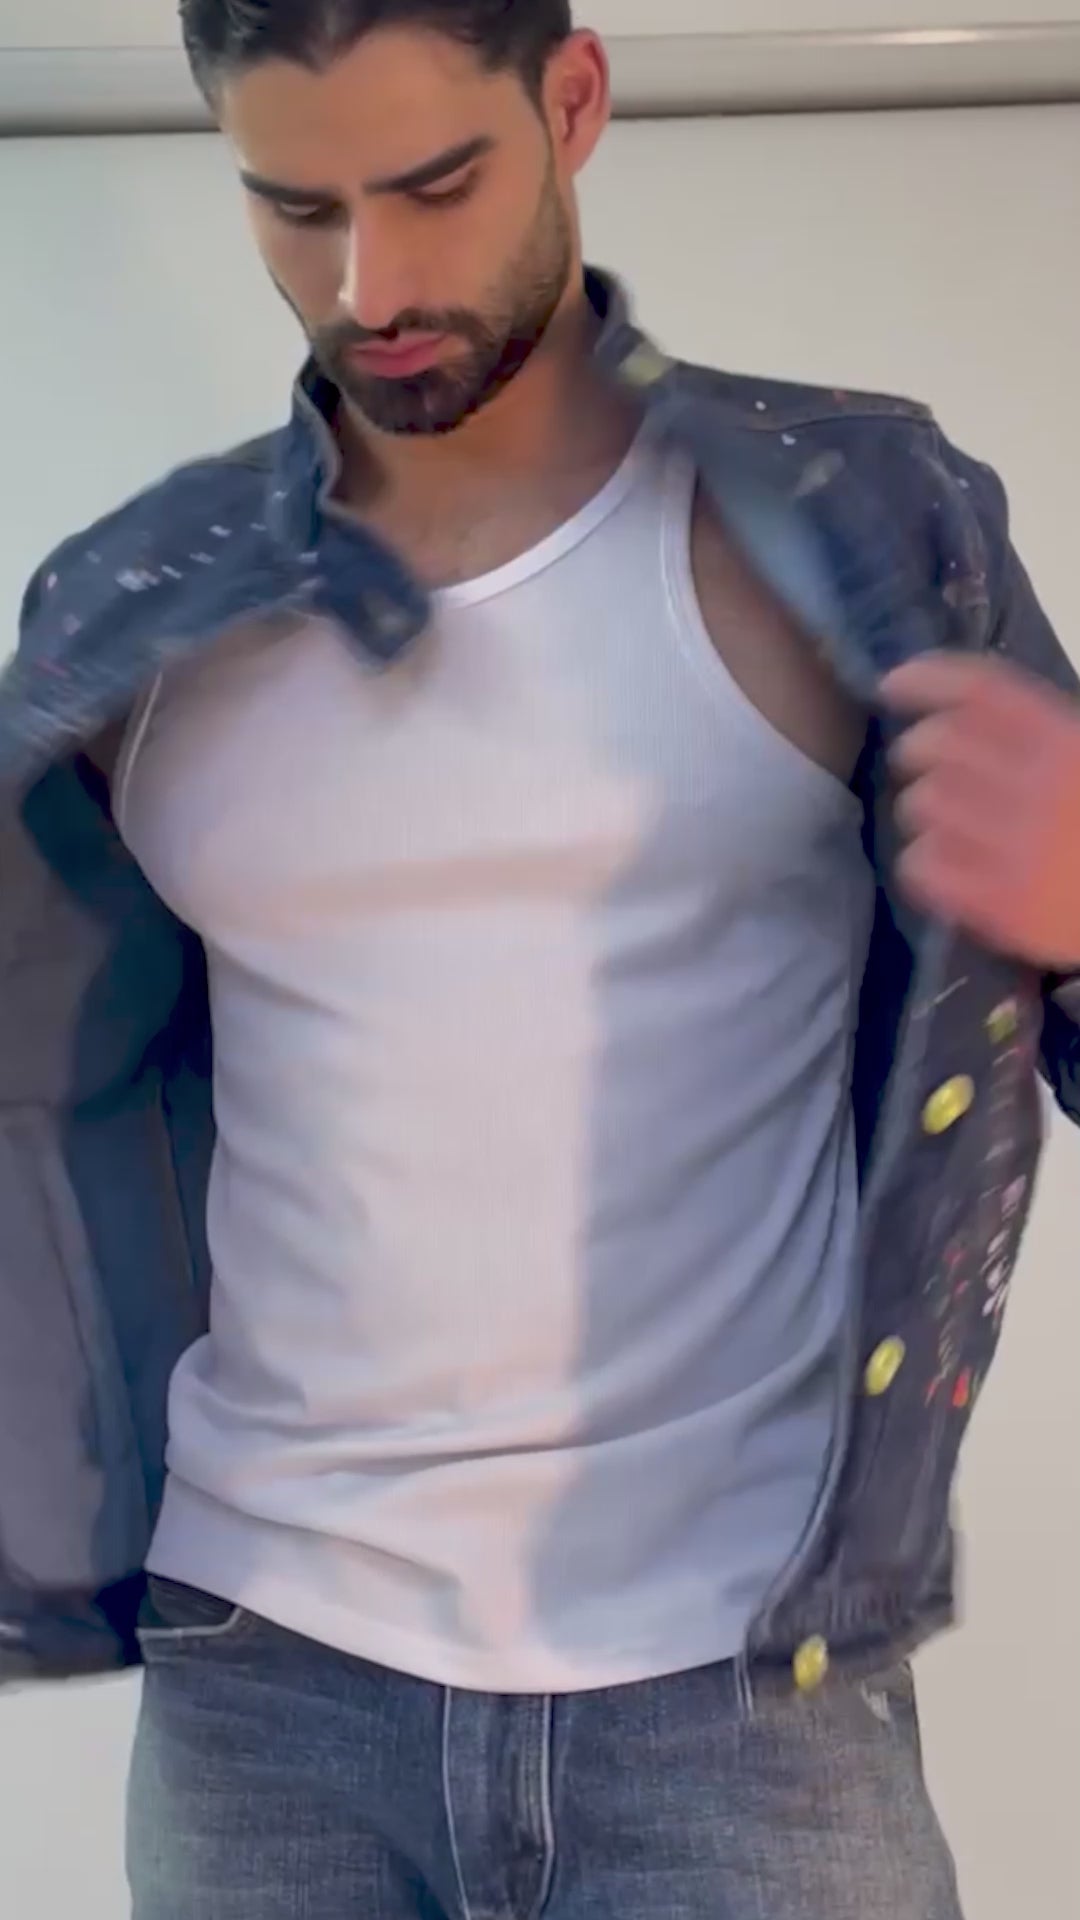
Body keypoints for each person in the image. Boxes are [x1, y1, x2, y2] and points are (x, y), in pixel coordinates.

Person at [2, 3, 1080, 1915]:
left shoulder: (858, 530)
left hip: (740, 1690)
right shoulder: (129, 616)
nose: (370, 283)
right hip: (264, 1680)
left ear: (571, 102)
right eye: (296, 206)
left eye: (436, 187)